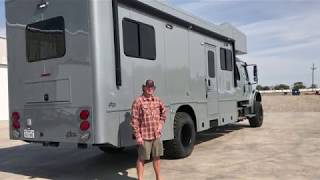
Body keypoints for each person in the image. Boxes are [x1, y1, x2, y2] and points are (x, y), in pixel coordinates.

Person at [131, 80, 167, 180]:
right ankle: (140, 179)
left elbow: (164, 113)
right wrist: (138, 136)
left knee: (157, 157)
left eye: (152, 87)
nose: (150, 89)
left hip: (156, 135)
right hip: (144, 136)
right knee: (141, 158)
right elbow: (134, 120)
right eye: (148, 87)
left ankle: (158, 178)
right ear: (144, 88)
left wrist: (160, 125)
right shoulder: (138, 101)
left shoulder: (157, 100)